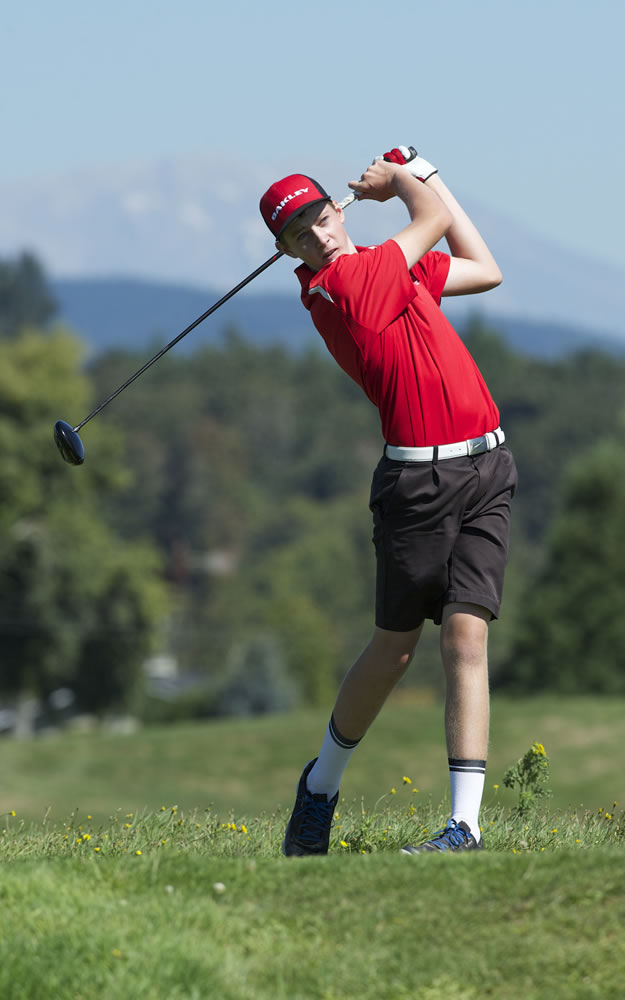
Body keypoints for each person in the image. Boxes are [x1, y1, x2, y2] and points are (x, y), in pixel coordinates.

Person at [259, 146, 517, 855]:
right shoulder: (343, 286)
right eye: (298, 236)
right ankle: (319, 788)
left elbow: (482, 267)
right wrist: (405, 182)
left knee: (467, 636)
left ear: (334, 211)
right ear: (289, 254)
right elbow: (428, 218)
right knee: (395, 650)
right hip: (416, 488)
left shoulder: (385, 265)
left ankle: (464, 826)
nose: (317, 235)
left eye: (320, 217)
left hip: (487, 464)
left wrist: (430, 177)